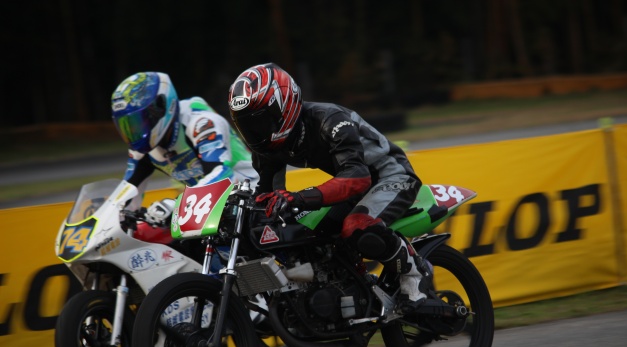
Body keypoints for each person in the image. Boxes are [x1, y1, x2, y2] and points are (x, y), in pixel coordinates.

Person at [227, 63, 432, 313]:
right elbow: (267, 195)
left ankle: (415, 272)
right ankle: (348, 289)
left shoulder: (330, 119)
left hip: (391, 176)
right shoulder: (267, 148)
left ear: (284, 107)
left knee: (357, 226)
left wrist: (299, 198)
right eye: (247, 125)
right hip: (354, 184)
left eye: (262, 121)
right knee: (304, 229)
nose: (256, 132)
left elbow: (358, 177)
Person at [110, 71, 258, 224]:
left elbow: (223, 175)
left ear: (161, 106)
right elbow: (126, 196)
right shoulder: (142, 150)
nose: (135, 132)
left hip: (253, 197)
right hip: (210, 211)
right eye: (127, 126)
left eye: (139, 122)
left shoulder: (201, 122)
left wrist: (176, 205)